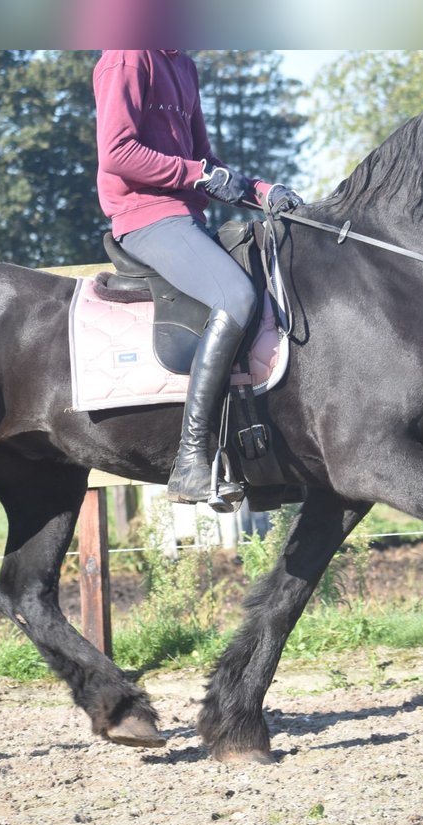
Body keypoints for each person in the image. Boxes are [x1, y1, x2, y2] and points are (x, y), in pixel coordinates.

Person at [93, 49, 302, 504]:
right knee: (236, 296)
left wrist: (262, 192)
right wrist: (198, 173)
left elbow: (204, 160)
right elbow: (116, 152)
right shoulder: (128, 57)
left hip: (186, 218)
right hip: (145, 217)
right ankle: (190, 461)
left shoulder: (183, 66)